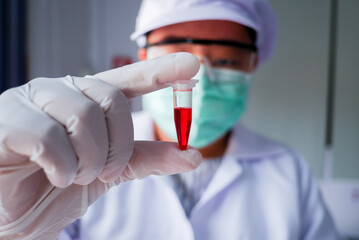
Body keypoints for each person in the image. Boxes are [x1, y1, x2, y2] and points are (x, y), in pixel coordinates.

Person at [58, 0, 341, 239]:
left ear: (252, 65)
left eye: (227, 60)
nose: (201, 81)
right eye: (178, 57)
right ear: (143, 57)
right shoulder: (87, 159)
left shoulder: (290, 173)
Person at [0, 53, 203, 239]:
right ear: (145, 53)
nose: (205, 67)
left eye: (225, 60)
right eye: (177, 41)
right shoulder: (83, 147)